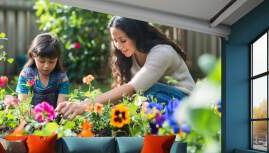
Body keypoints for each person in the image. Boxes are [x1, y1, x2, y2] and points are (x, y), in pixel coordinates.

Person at [56, 16, 195, 118]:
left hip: (185, 103)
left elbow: (131, 88)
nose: (119, 46)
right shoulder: (130, 55)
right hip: (156, 101)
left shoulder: (162, 52)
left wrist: (84, 105)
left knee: (143, 92)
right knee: (122, 106)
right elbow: (124, 94)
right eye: (115, 41)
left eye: (123, 40)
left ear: (137, 35)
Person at [16, 33, 69, 108]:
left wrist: (52, 117)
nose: (46, 66)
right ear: (33, 56)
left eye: (51, 62)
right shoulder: (26, 75)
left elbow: (60, 109)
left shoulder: (62, 78)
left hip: (53, 118)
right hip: (30, 118)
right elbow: (23, 107)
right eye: (41, 61)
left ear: (58, 58)